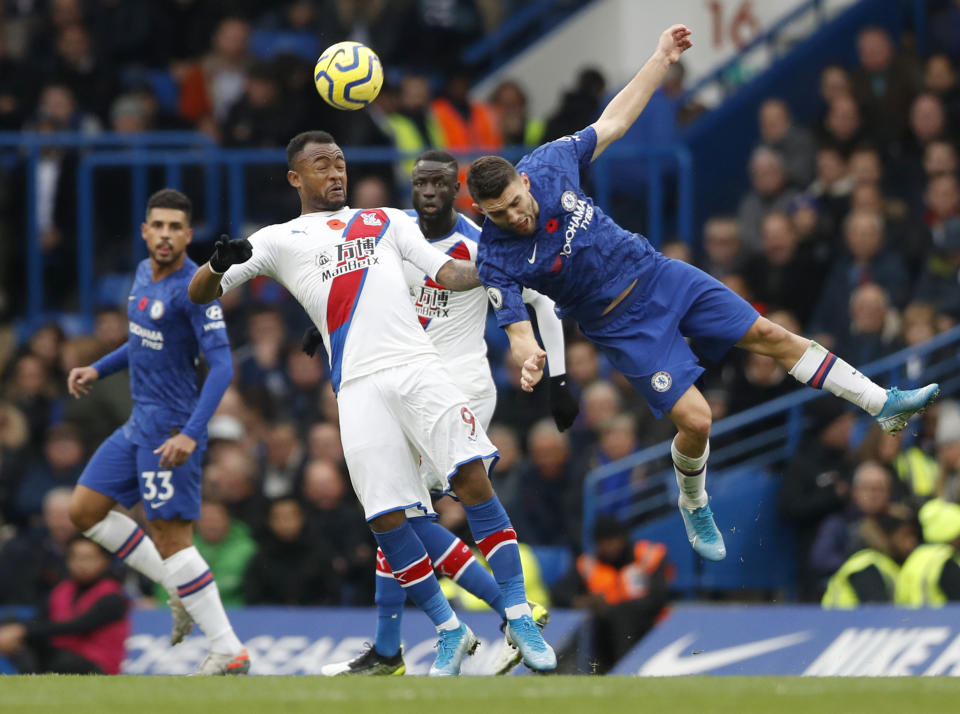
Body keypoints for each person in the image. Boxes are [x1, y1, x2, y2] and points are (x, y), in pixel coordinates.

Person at [466, 24, 939, 563]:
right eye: (498, 213)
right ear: (483, 213)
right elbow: (520, 331)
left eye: (513, 202)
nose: (513, 216)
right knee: (697, 421)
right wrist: (530, 363)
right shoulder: (496, 258)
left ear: (522, 183)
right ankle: (693, 500)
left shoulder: (549, 163)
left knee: (769, 334)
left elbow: (615, 119)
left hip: (658, 273)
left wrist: (662, 57)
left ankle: (883, 404)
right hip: (621, 325)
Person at [187, 130, 557, 676]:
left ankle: (519, 614)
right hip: (357, 387)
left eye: (339, 162)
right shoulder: (276, 238)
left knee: (472, 479)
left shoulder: (386, 219)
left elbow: (448, 274)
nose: (335, 173)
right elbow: (201, 293)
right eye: (321, 166)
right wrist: (218, 265)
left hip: (417, 367)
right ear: (296, 178)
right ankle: (448, 628)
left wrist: (503, 262)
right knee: (387, 517)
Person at [309, 149, 572, 676]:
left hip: (459, 386)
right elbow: (354, 281)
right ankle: (396, 646)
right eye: (420, 184)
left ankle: (503, 612)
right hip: (403, 382)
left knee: (408, 515)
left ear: (458, 191)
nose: (428, 194)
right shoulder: (390, 232)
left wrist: (560, 377)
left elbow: (543, 302)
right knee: (394, 514)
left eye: (439, 185)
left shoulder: (479, 242)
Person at [64, 189, 248, 675]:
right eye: (158, 226)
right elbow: (141, 340)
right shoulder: (143, 272)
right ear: (146, 231)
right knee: (83, 510)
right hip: (138, 421)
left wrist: (190, 433)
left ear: (189, 235)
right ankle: (176, 585)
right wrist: (97, 369)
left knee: (172, 537)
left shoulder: (195, 288)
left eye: (175, 227)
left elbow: (224, 365)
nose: (165, 235)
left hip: (171, 427)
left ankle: (228, 648)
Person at [0, 537, 130, 674]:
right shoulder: (61, 590)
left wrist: (23, 630)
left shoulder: (113, 596)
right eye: (75, 558)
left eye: (88, 558)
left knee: (34, 641)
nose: (81, 564)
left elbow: (78, 626)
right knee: (13, 628)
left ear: (104, 561)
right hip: (62, 655)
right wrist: (17, 631)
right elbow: (41, 619)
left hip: (96, 664)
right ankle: (27, 683)